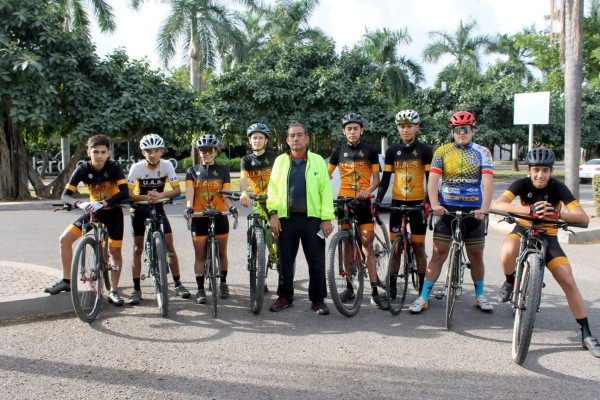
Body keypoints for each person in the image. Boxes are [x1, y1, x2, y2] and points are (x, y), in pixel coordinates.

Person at [493, 148, 600, 357]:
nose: (540, 175)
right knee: (507, 252)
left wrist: (557, 214)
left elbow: (582, 217)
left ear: (551, 171)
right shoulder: (522, 184)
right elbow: (499, 204)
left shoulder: (558, 187)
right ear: (528, 170)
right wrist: (529, 211)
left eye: (545, 170)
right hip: (523, 229)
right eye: (536, 170)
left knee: (568, 281)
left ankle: (586, 333)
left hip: (548, 235)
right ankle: (509, 280)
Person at [409, 110, 494, 314]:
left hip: (473, 212)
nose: (461, 133)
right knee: (438, 254)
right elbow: (433, 180)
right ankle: (423, 297)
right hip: (447, 210)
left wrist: (484, 209)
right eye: (457, 130)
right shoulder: (442, 151)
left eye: (465, 129)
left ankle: (480, 295)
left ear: (473, 130)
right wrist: (435, 204)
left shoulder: (483, 152)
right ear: (452, 131)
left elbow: (488, 182)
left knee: (476, 255)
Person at [44, 134, 129, 306]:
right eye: (95, 152)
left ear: (108, 153)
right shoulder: (82, 169)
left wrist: (105, 202)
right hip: (93, 213)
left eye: (103, 152)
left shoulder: (114, 167)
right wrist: (79, 203)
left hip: (113, 213)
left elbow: (124, 192)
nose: (99, 155)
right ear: (88, 152)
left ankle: (113, 290)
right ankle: (66, 281)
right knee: (65, 240)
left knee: (115, 252)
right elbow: (65, 195)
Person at [267, 123, 335, 315]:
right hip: (286, 220)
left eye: (299, 135)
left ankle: (318, 299)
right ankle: (285, 297)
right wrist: (273, 214)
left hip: (312, 220)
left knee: (316, 260)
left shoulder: (318, 161)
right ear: (287, 140)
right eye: (292, 136)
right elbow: (272, 190)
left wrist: (327, 218)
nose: (295, 139)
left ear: (307, 139)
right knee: (285, 261)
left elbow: (325, 191)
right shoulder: (280, 161)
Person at [328, 113, 385, 309]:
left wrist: (367, 191)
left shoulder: (370, 150)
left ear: (361, 130)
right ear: (344, 131)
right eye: (349, 129)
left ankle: (375, 290)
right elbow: (326, 176)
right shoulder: (338, 151)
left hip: (362, 201)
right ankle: (350, 287)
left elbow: (376, 180)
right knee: (346, 243)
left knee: (367, 243)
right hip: (345, 201)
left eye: (355, 128)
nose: (352, 132)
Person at [375, 109, 433, 298]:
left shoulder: (424, 150)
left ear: (417, 127)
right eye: (402, 126)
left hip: (417, 204)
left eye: (409, 126)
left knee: (418, 247)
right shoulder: (392, 151)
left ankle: (423, 289)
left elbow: (429, 178)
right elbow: (385, 179)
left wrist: (430, 201)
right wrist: (377, 200)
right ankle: (392, 286)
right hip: (397, 204)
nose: (405, 130)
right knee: (395, 248)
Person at [126, 133, 190, 305]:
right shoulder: (136, 168)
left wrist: (160, 195)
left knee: (169, 246)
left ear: (161, 151)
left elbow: (177, 190)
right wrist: (146, 198)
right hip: (139, 208)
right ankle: (136, 289)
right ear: (143, 153)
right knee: (137, 249)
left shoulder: (167, 165)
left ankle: (177, 283)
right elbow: (129, 194)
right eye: (148, 151)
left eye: (156, 151)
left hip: (157, 207)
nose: (152, 154)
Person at [184, 134, 238, 305]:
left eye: (210, 150)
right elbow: (190, 193)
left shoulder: (223, 171)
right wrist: (188, 207)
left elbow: (226, 195)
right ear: (199, 152)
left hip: (219, 216)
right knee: (200, 256)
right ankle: (200, 289)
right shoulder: (192, 171)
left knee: (222, 253)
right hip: (199, 217)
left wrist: (231, 207)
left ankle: (223, 283)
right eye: (203, 151)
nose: (207, 153)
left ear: (216, 151)